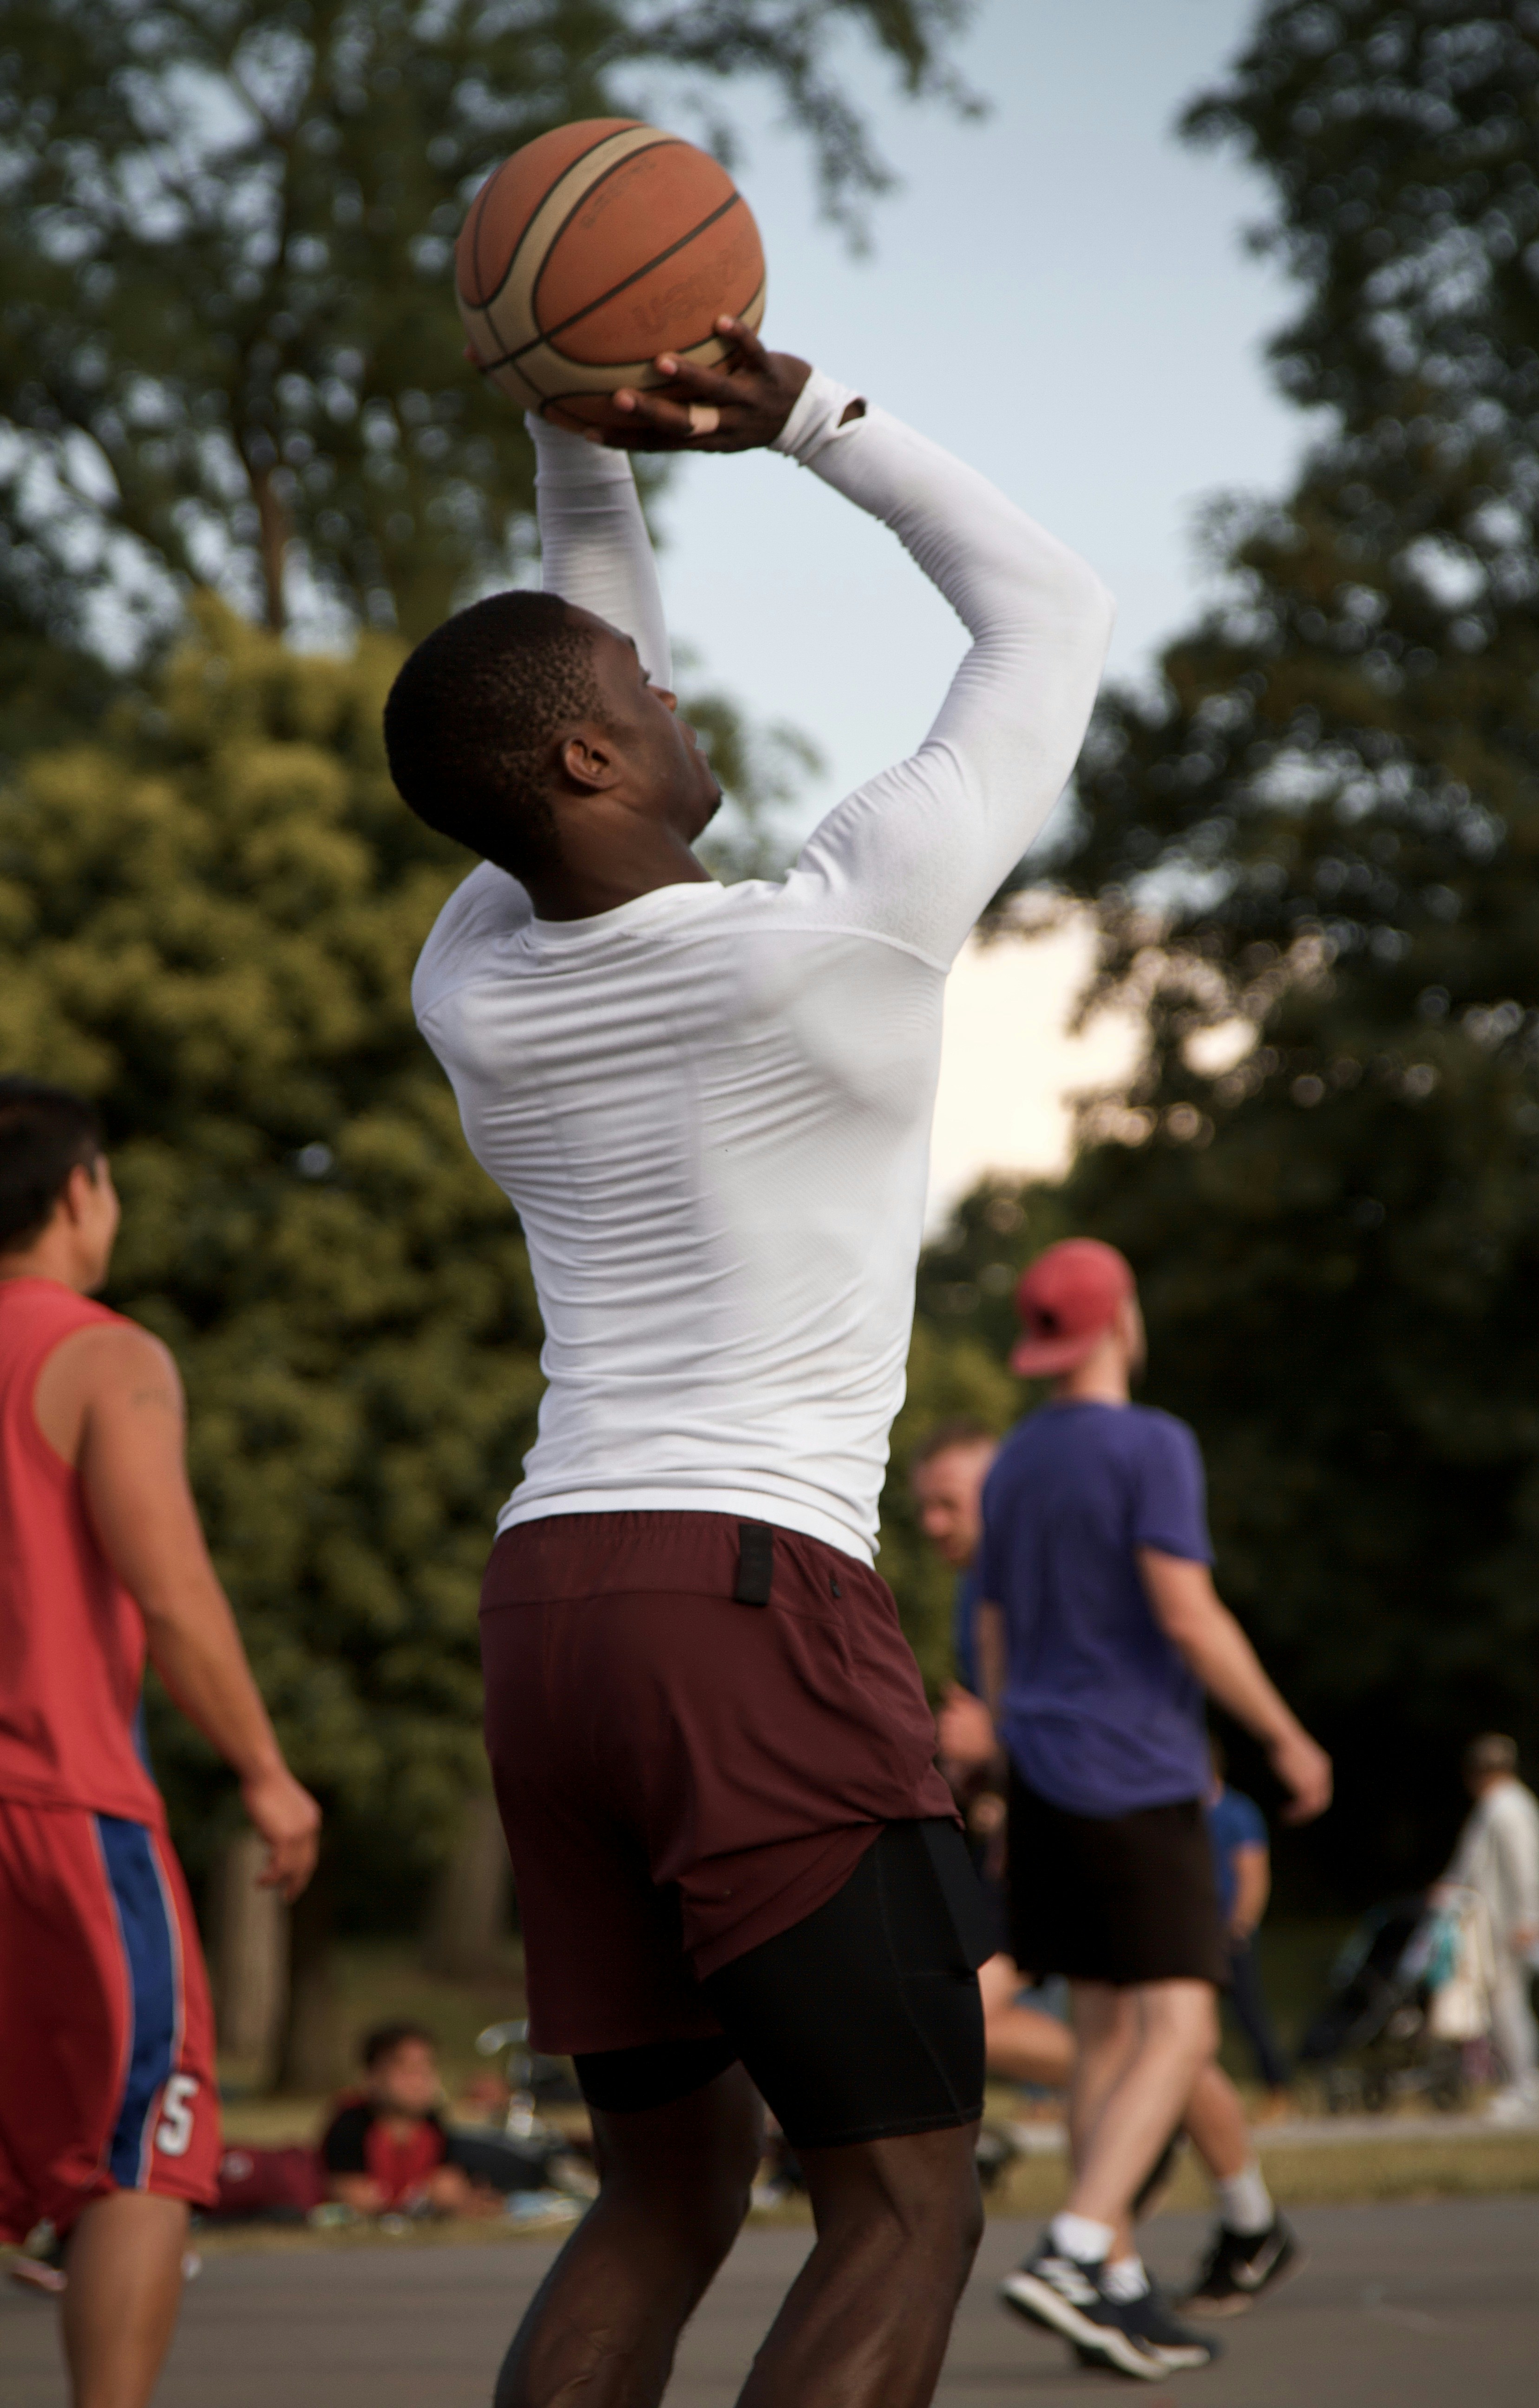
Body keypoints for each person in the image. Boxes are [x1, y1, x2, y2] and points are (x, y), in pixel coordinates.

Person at [385, 321, 1114, 2408]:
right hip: (741, 1595)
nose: (665, 684)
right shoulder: (834, 941)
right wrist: (805, 416)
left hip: (553, 1613)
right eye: (641, 697)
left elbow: (557, 667)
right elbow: (1046, 606)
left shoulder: (476, 981)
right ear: (593, 768)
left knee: (664, 2191)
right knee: (901, 2197)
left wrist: (570, 430)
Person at [0, 1077, 321, 2408]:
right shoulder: (105, 1357)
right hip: (62, 1810)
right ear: (81, 1191)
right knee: (146, 2145)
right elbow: (174, 1596)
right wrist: (265, 1772)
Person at [976, 1237, 1329, 2381]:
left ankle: (1117, 2287)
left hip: (1039, 1774)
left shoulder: (1013, 1465)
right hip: (1135, 1771)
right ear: (1120, 1318)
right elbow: (1184, 1612)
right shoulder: (1150, 1443)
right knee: (1183, 2021)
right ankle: (1078, 2246)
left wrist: (1015, 1736)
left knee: (1100, 2036)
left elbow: (987, 1635)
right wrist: (1281, 1732)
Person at [913, 1421, 1075, 2094]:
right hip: (1026, 1838)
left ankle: (1151, 2086)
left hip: (1085, 1832)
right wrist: (972, 1771)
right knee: (955, 2014)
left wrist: (995, 1736)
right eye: (923, 1506)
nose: (931, 1523)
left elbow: (1096, 1718)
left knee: (955, 2015)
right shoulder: (971, 1590)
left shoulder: (1051, 1576)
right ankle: (1242, 2198)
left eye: (948, 1502)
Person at [1435, 1734, 1539, 2126]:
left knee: (1509, 2006)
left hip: (1507, 1926)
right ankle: (1520, 2084)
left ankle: (1526, 2089)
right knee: (1503, 2005)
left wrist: (1528, 1919)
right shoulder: (1499, 1806)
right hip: (1492, 1926)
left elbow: (1524, 1867)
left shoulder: (1508, 1808)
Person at [321, 2024, 502, 2219]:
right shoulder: (352, 2123)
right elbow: (352, 2194)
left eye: (427, 2069)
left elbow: (449, 2185)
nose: (419, 2082)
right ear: (373, 2077)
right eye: (408, 2071)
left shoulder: (432, 2124)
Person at [1205, 1738, 1292, 2113]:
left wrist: (1241, 1925)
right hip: (1188, 1931)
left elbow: (1253, 1874)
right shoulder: (1173, 1815)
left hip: (1228, 1932)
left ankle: (1278, 2089)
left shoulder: (1237, 1812)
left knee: (1248, 2015)